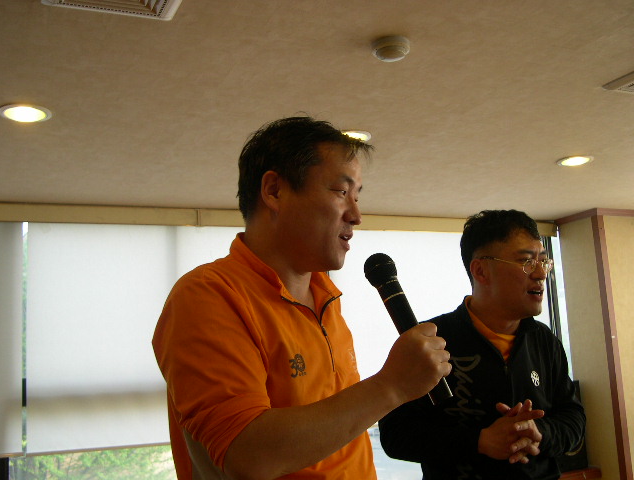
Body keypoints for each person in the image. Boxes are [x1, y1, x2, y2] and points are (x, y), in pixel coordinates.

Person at [152, 116, 452, 480]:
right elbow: (246, 454)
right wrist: (390, 385)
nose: (356, 215)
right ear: (274, 191)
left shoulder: (326, 297)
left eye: (357, 197)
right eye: (341, 192)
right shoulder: (208, 295)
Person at [379, 209, 586, 480]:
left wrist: (540, 433)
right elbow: (395, 435)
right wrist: (479, 441)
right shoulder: (428, 341)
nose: (540, 274)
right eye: (526, 261)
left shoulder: (545, 341)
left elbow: (573, 418)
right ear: (481, 271)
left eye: (543, 262)